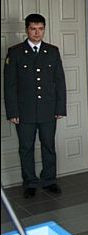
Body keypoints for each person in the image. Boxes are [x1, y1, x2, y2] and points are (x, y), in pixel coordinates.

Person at [4, 13, 66, 199]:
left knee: (49, 146)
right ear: (27, 30)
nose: (37, 33)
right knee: (26, 148)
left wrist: (60, 108)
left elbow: (59, 81)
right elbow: (9, 85)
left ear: (44, 29)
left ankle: (49, 180)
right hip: (24, 111)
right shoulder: (15, 52)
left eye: (40, 29)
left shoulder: (52, 51)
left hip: (48, 109)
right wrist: (12, 112)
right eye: (33, 29)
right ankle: (30, 182)